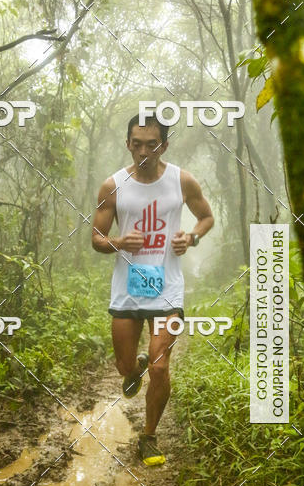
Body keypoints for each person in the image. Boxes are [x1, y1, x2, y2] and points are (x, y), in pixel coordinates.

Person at [91, 113, 214, 465]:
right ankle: (135, 367)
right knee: (124, 365)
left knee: (160, 367)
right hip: (127, 291)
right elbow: (96, 239)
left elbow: (207, 217)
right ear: (128, 144)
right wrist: (118, 241)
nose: (144, 151)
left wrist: (191, 237)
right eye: (137, 144)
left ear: (164, 145)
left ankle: (149, 437)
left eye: (152, 144)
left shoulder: (182, 181)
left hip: (167, 290)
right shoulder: (111, 186)